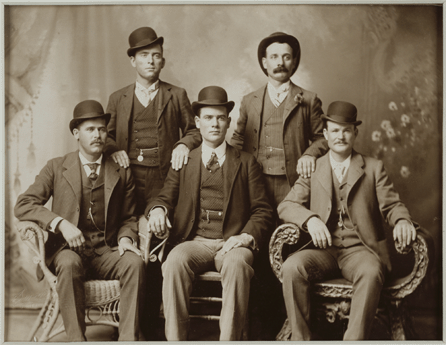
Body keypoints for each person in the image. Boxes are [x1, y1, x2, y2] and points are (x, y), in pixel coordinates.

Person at [278, 101, 417, 340]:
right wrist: (310, 219)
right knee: (292, 267)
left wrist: (403, 220)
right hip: (323, 251)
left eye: (346, 130)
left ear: (355, 133)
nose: (340, 136)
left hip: (360, 250)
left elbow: (393, 206)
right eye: (334, 130)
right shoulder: (314, 169)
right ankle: (300, 339)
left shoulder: (373, 168)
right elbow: (286, 205)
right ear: (325, 134)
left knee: (371, 272)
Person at [146, 86, 273, 341]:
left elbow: (263, 210)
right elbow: (164, 197)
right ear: (197, 122)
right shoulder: (185, 161)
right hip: (195, 242)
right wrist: (158, 209)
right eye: (208, 117)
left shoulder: (246, 162)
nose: (214, 124)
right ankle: (175, 340)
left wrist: (246, 237)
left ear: (228, 122)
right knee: (174, 261)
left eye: (220, 118)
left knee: (237, 264)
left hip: (232, 242)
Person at [14, 100, 145, 341]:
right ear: (76, 133)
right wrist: (60, 223)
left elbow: (128, 217)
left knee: (134, 263)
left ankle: (129, 338)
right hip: (67, 250)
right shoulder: (56, 167)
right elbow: (23, 204)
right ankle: (76, 339)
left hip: (107, 250)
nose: (98, 135)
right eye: (90, 129)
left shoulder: (120, 170)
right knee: (68, 263)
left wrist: (126, 239)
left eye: (102, 129)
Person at [105, 26, 201, 216]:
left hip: (164, 178)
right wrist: (114, 149)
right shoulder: (117, 98)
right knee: (128, 225)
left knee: (160, 226)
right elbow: (105, 136)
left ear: (163, 62)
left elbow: (194, 131)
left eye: (156, 56)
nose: (150, 61)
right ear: (133, 61)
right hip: (127, 175)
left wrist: (183, 145)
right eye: (144, 55)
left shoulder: (177, 95)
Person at [231, 31, 327, 215]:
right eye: (274, 57)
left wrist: (310, 155)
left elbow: (323, 138)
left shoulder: (309, 99)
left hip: (293, 181)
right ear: (265, 62)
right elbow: (238, 138)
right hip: (255, 180)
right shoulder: (249, 100)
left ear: (293, 63)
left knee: (289, 231)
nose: (280, 63)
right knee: (258, 228)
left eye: (286, 57)